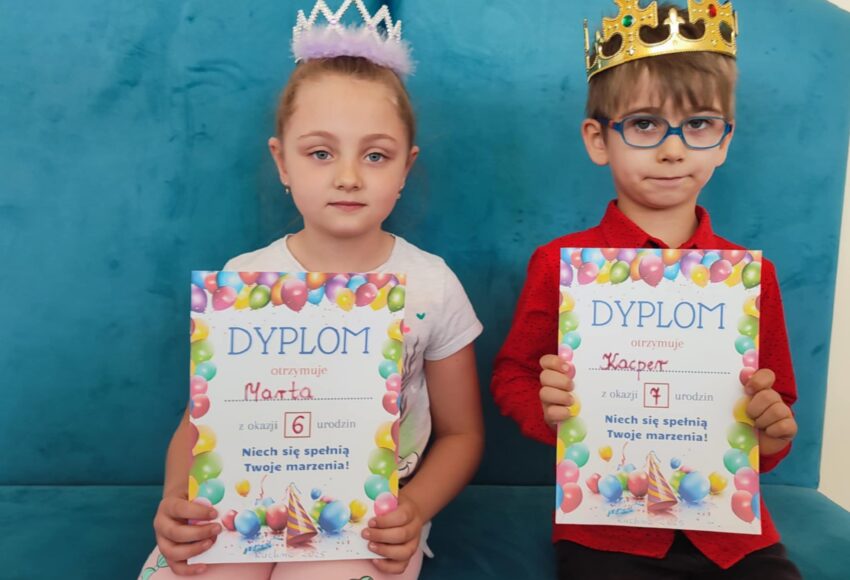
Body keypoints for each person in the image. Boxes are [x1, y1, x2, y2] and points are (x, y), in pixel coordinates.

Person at [141, 2, 484, 577]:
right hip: (239, 504)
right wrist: (178, 498)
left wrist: (415, 509)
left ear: (405, 167)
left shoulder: (432, 284)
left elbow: (462, 433)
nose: (348, 177)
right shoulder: (245, 280)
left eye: (375, 156)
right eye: (321, 153)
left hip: (368, 520)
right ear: (282, 161)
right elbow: (199, 422)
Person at [491, 2, 801, 577]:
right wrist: (548, 412)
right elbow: (513, 374)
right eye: (644, 124)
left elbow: (775, 408)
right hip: (605, 527)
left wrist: (771, 432)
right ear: (598, 139)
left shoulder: (751, 276)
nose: (673, 149)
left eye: (699, 124)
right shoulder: (559, 264)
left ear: (725, 141)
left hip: (733, 534)